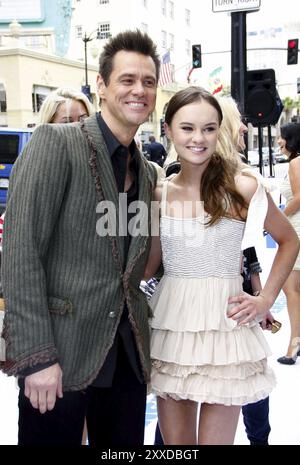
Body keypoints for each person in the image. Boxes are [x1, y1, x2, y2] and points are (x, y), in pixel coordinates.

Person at [0, 29, 160, 445]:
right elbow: (20, 254)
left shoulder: (144, 171)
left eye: (147, 81)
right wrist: (36, 358)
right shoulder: (56, 143)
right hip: (60, 358)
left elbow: (129, 265)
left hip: (125, 358)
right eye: (127, 80)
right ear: (102, 86)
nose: (138, 90)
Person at [144, 86, 299, 445]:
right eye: (187, 128)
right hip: (172, 327)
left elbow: (290, 240)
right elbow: (150, 267)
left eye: (209, 128)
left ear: (219, 131)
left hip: (226, 326)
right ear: (168, 130)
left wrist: (263, 300)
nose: (198, 138)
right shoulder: (158, 194)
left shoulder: (243, 187)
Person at [277, 122, 300, 364]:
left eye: (281, 138)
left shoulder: (296, 162)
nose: (278, 142)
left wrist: (277, 220)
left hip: (296, 229)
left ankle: (295, 344)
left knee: (290, 288)